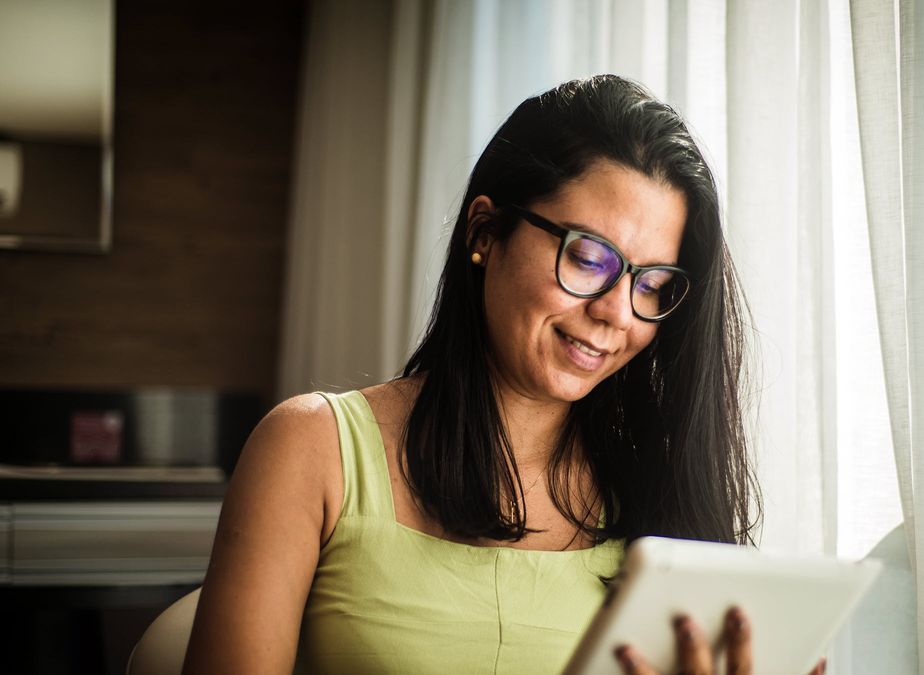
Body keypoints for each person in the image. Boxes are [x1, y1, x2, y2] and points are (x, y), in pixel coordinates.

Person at [183, 74, 786, 674]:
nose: (613, 312)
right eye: (585, 257)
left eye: (651, 284)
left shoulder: (660, 497)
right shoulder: (311, 449)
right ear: (484, 232)